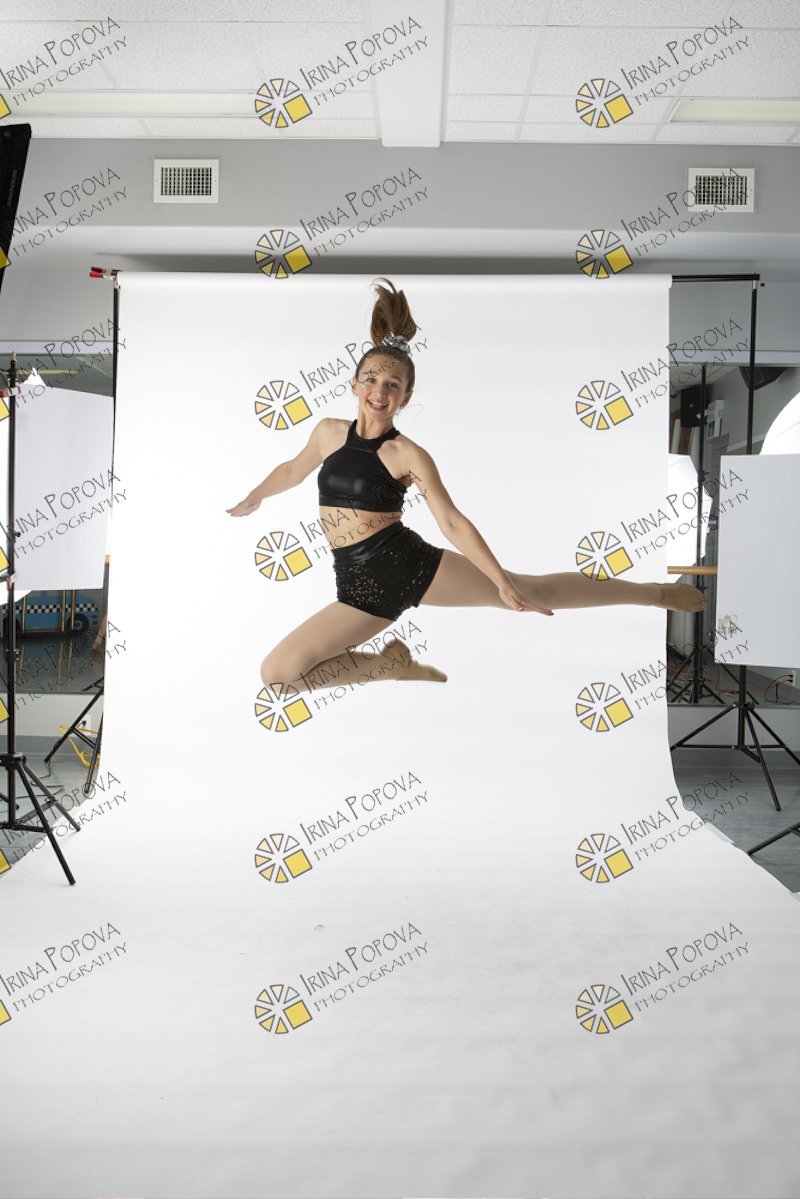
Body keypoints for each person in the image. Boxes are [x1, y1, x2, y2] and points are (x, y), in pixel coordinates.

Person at [227, 277, 705, 696]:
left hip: (406, 565)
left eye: (392, 384)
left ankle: (654, 594)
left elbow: (452, 522)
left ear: (405, 397)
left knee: (531, 589)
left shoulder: (408, 455)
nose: (380, 390)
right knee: (280, 675)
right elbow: (293, 470)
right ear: (354, 385)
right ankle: (390, 667)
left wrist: (500, 582)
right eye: (371, 379)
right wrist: (255, 497)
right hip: (355, 586)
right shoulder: (328, 433)